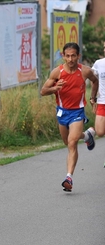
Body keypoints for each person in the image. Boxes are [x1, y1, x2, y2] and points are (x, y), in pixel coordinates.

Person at [41, 42, 98, 192]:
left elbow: (95, 80)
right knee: (67, 142)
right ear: (63, 56)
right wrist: (55, 88)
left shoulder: (85, 71)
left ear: (78, 56)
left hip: (77, 111)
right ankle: (87, 136)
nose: (71, 59)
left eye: (74, 56)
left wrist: (93, 98)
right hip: (62, 111)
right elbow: (43, 91)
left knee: (72, 143)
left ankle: (69, 178)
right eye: (68, 56)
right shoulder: (57, 73)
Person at [91, 41, 105, 166]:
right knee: (100, 132)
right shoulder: (99, 64)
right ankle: (90, 132)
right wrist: (93, 97)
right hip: (102, 101)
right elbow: (93, 80)